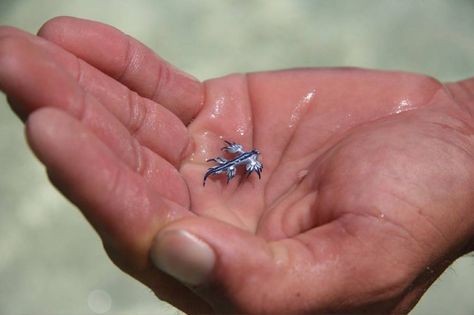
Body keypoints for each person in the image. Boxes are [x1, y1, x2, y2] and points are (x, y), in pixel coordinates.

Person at [0, 16, 473, 314]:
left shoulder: (246, 162)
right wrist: (460, 115)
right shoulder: (239, 158)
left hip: (235, 160)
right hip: (232, 159)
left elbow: (246, 164)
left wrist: (461, 126)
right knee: (218, 168)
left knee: (220, 170)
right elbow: (238, 159)